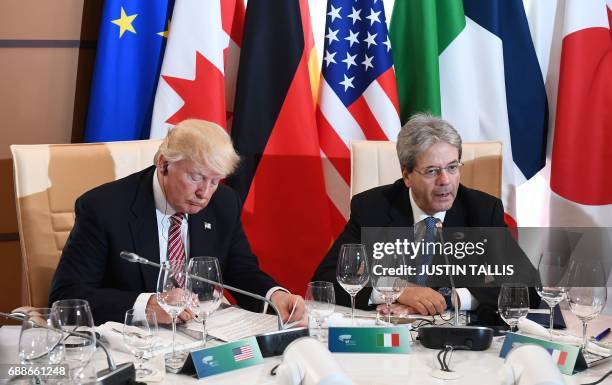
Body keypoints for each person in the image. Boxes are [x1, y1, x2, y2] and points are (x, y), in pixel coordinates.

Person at [50, 119, 305, 325]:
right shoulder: (103, 208)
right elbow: (67, 296)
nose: (204, 193)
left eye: (215, 181)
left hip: (201, 335)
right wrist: (147, 304)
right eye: (196, 177)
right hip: (135, 340)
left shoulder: (224, 203)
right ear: (164, 165)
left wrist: (274, 296)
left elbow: (240, 271)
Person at [312, 113, 538, 318]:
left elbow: (526, 288)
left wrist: (451, 299)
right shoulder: (372, 208)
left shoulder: (481, 210)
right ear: (407, 175)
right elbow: (326, 281)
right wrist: (398, 289)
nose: (445, 181)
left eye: (452, 167)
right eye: (431, 171)